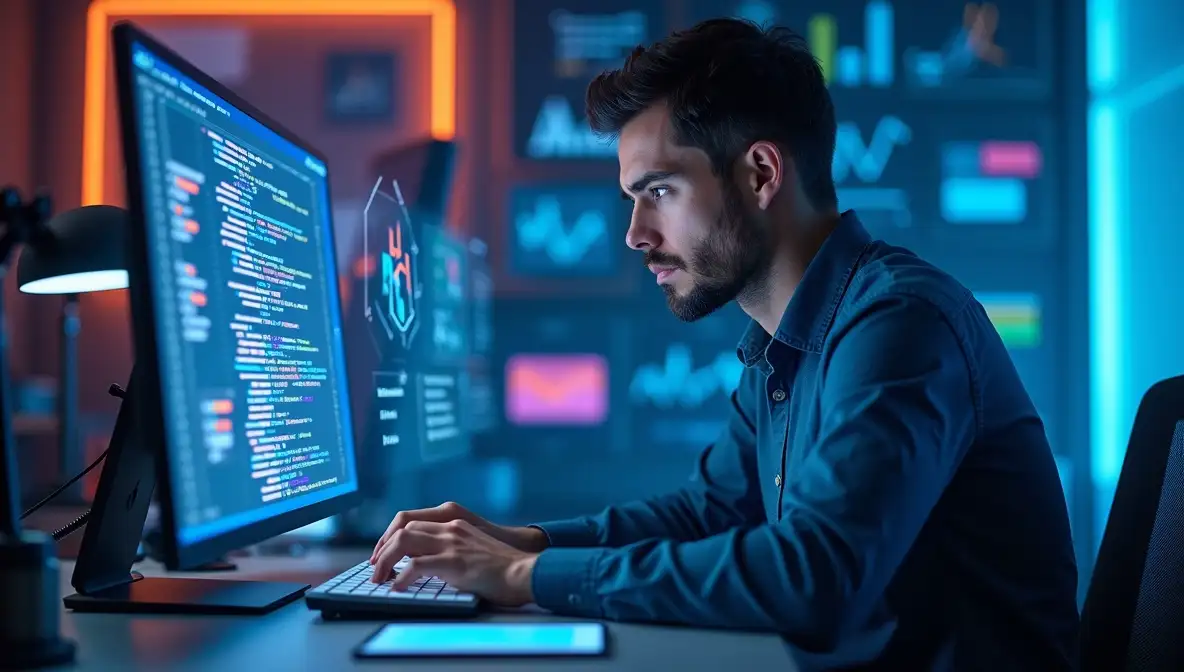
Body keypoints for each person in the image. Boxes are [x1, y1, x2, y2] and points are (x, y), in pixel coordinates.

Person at [368, 18, 1079, 670]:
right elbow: (705, 513)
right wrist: (527, 542)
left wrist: (524, 580)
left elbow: (815, 576)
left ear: (762, 174)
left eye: (660, 192)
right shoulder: (785, 345)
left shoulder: (900, 324)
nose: (636, 235)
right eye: (633, 200)